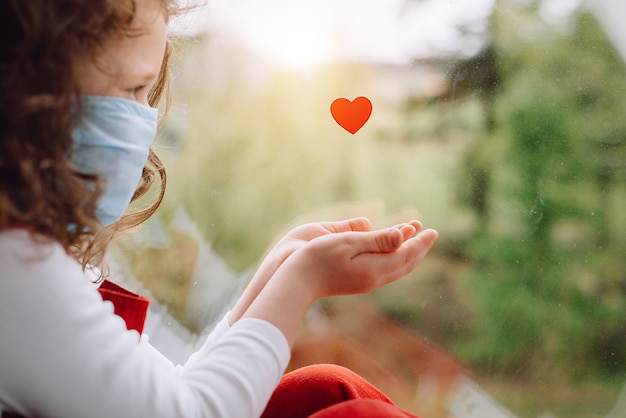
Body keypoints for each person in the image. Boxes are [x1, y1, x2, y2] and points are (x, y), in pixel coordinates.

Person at [0, 0, 439, 417]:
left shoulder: (27, 263)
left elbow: (169, 392)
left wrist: (275, 272)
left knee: (326, 389)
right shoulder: (16, 272)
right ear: (28, 88)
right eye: (132, 88)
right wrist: (304, 280)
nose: (145, 121)